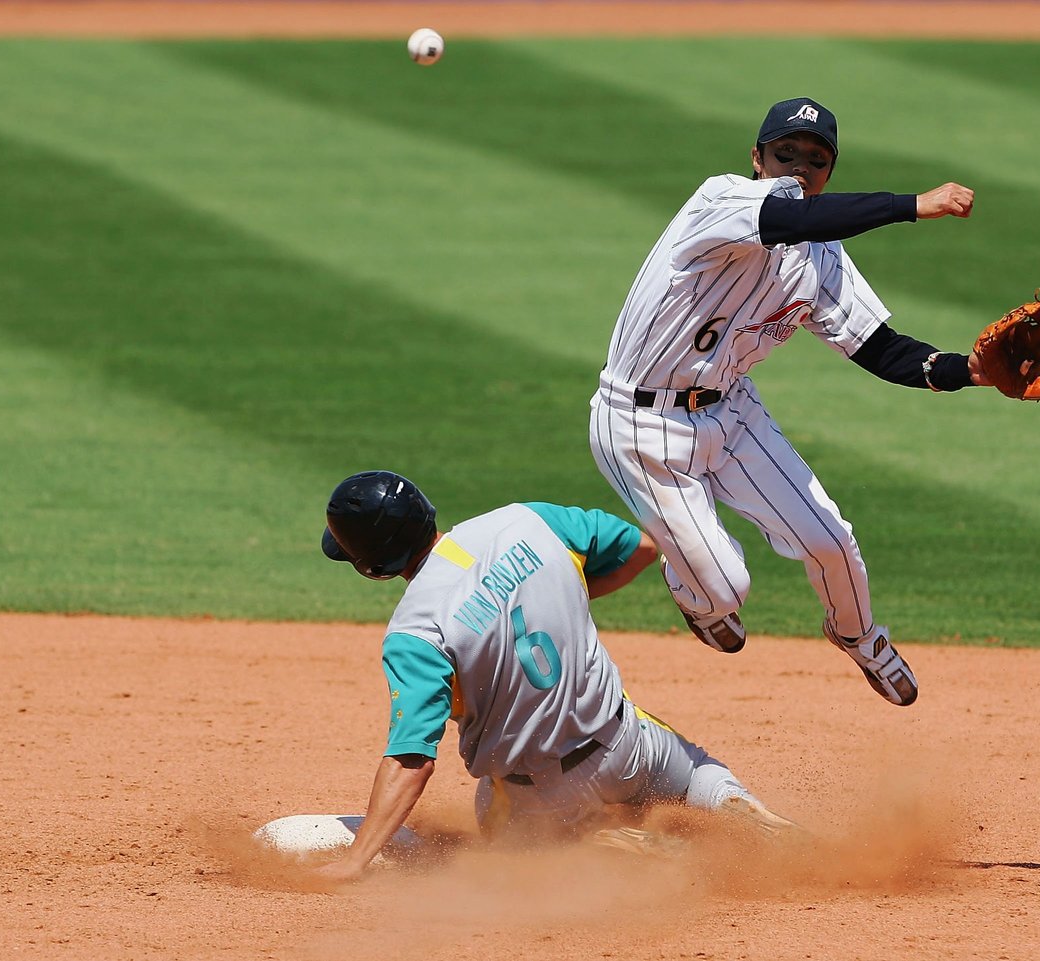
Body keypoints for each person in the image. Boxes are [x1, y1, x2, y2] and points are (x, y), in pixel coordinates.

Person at [589, 97, 988, 708]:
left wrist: (973, 371)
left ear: (831, 172)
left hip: (733, 412)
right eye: (786, 155)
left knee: (832, 540)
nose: (800, 168)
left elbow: (882, 350)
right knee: (726, 589)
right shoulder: (720, 200)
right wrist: (914, 205)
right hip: (639, 423)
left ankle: (859, 636)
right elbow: (791, 219)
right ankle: (692, 582)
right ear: (756, 158)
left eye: (817, 160)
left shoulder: (821, 253)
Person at [308, 470, 796, 884]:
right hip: (627, 746)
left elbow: (411, 760)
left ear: (372, 567)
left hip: (540, 799)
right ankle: (729, 800)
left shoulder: (415, 634)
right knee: (694, 771)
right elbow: (642, 550)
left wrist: (355, 861)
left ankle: (593, 844)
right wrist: (559, 598)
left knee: (497, 838)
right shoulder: (525, 519)